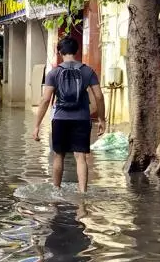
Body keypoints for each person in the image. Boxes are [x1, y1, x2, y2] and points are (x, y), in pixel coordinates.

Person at [33, 37, 106, 193]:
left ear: (60, 52)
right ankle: (82, 193)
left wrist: (37, 125)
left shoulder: (53, 73)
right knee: (81, 157)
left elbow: (46, 100)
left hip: (60, 119)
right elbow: (99, 96)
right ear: (77, 51)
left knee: (58, 156)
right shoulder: (88, 71)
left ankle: (56, 190)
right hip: (82, 119)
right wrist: (101, 119)